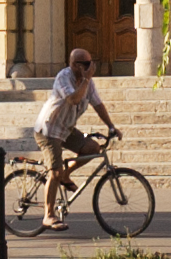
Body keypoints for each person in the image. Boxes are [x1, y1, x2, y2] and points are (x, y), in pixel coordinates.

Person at [33, 48, 113, 232]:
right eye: (86, 64)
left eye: (91, 63)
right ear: (75, 65)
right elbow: (74, 99)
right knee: (54, 171)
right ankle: (48, 215)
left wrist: (111, 126)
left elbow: (98, 104)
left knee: (93, 148)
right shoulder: (64, 77)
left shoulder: (88, 83)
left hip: (66, 129)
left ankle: (66, 175)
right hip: (49, 129)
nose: (90, 67)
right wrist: (85, 79)